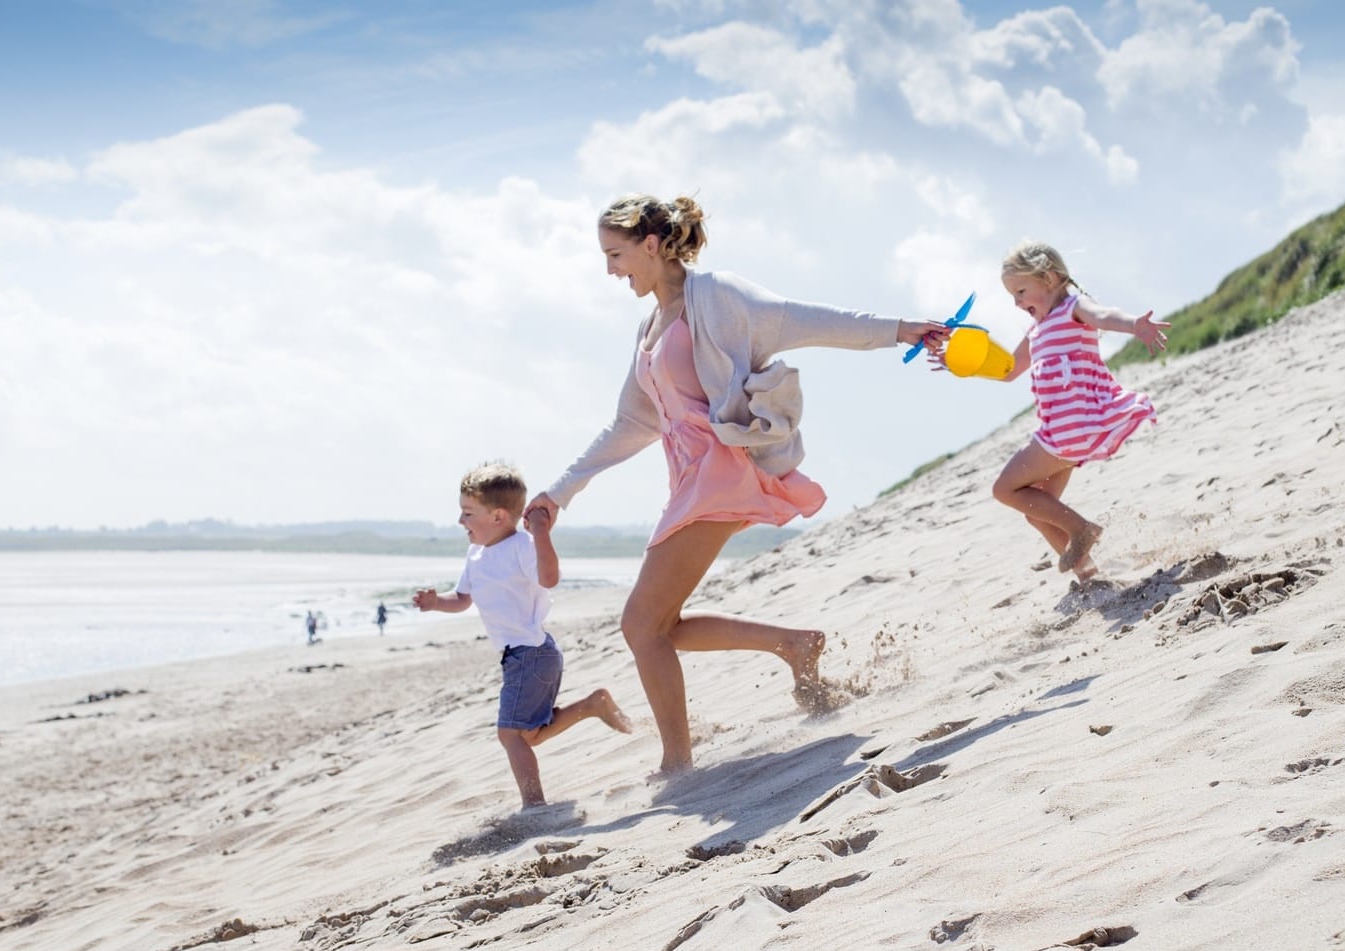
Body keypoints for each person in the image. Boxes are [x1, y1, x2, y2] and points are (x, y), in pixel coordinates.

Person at [524, 193, 946, 777]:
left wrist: (902, 329)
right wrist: (560, 491)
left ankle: (678, 761)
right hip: (691, 479)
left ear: (651, 245)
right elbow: (632, 422)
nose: (610, 269)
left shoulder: (718, 297)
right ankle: (793, 645)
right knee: (660, 626)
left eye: (615, 254)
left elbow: (806, 319)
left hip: (723, 472)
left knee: (640, 625)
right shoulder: (651, 325)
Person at [415, 462, 632, 809]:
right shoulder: (475, 554)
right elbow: (462, 599)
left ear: (498, 516)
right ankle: (593, 705)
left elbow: (549, 578)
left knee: (511, 734)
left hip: (531, 654)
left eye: (468, 514)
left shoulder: (522, 545)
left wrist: (542, 534)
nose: (460, 522)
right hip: (522, 657)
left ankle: (534, 806)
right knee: (528, 733)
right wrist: (434, 602)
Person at [985, 239, 1165, 580]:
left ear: (1049, 279)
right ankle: (1089, 575)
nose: (1016, 302)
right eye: (1012, 296)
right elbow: (1007, 370)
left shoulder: (1073, 308)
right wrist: (958, 358)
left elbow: (1104, 315)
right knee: (1038, 510)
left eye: (1021, 291)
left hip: (1070, 429)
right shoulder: (1037, 330)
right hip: (1064, 431)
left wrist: (1133, 325)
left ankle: (1082, 529)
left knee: (1004, 489)